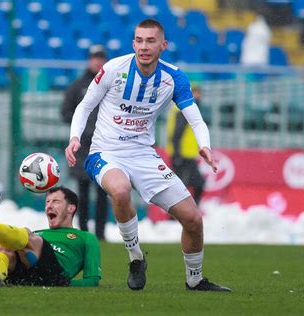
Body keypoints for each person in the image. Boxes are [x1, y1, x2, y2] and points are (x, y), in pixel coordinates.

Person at [65, 19, 231, 292]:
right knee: (119, 190)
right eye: (139, 40)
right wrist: (74, 138)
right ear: (133, 44)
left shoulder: (173, 77)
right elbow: (84, 107)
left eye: (151, 40)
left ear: (163, 45)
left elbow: (196, 119)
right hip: (105, 152)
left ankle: (195, 279)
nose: (144, 46)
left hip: (144, 155)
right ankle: (135, 258)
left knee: (193, 219)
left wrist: (205, 145)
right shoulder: (113, 69)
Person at [61, 45, 109, 240]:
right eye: (94, 58)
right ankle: (83, 232)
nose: (98, 61)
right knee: (82, 191)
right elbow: (65, 113)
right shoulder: (77, 86)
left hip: (104, 146)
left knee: (103, 192)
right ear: (89, 60)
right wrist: (82, 127)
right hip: (82, 148)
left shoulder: (110, 85)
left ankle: (100, 234)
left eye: (101, 58)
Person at [167, 85, 206, 205]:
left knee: (185, 186)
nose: (197, 96)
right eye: (195, 93)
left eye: (199, 93)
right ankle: (183, 214)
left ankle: (184, 213)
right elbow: (177, 134)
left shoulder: (182, 108)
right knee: (189, 185)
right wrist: (177, 155)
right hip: (182, 155)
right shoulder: (184, 110)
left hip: (186, 154)